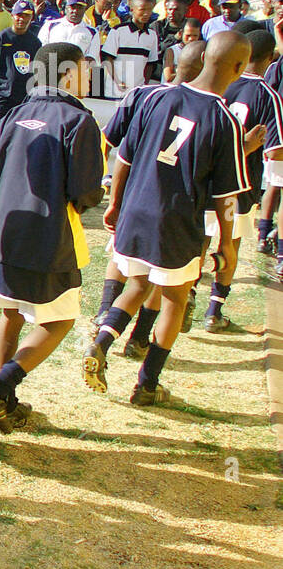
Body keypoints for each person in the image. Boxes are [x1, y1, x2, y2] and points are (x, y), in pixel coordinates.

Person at [84, 32, 252, 406]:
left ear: (205, 56)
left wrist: (115, 203)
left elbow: (123, 158)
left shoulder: (154, 97)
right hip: (177, 220)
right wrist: (226, 242)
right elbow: (226, 195)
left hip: (136, 209)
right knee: (175, 298)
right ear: (238, 69)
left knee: (136, 285)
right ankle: (147, 383)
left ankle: (101, 342)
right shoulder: (224, 119)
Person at [0, 42, 105, 430]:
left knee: (10, 314)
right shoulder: (79, 121)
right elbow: (85, 193)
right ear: (66, 74)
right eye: (83, 69)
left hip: (2, 235)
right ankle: (1, 386)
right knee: (60, 320)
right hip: (48, 240)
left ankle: (3, 403)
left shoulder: (13, 114)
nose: (88, 76)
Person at [203, 29, 282, 330]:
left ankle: (189, 296)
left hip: (206, 179)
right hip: (240, 183)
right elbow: (275, 152)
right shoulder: (268, 96)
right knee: (229, 244)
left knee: (201, 240)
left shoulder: (219, 83)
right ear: (270, 58)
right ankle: (215, 309)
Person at [0, 1, 41, 124]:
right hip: (2, 98)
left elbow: (38, 72)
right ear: (12, 15)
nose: (22, 19)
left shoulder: (35, 42)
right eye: (19, 15)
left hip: (25, 100)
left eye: (26, 15)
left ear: (31, 17)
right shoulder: (0, 38)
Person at [101, 0, 160, 97]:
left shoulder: (152, 35)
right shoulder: (118, 31)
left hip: (136, 91)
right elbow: (107, 59)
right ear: (132, 10)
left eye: (149, 10)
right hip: (114, 90)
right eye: (142, 10)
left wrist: (144, 85)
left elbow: (150, 63)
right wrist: (118, 81)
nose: (146, 13)